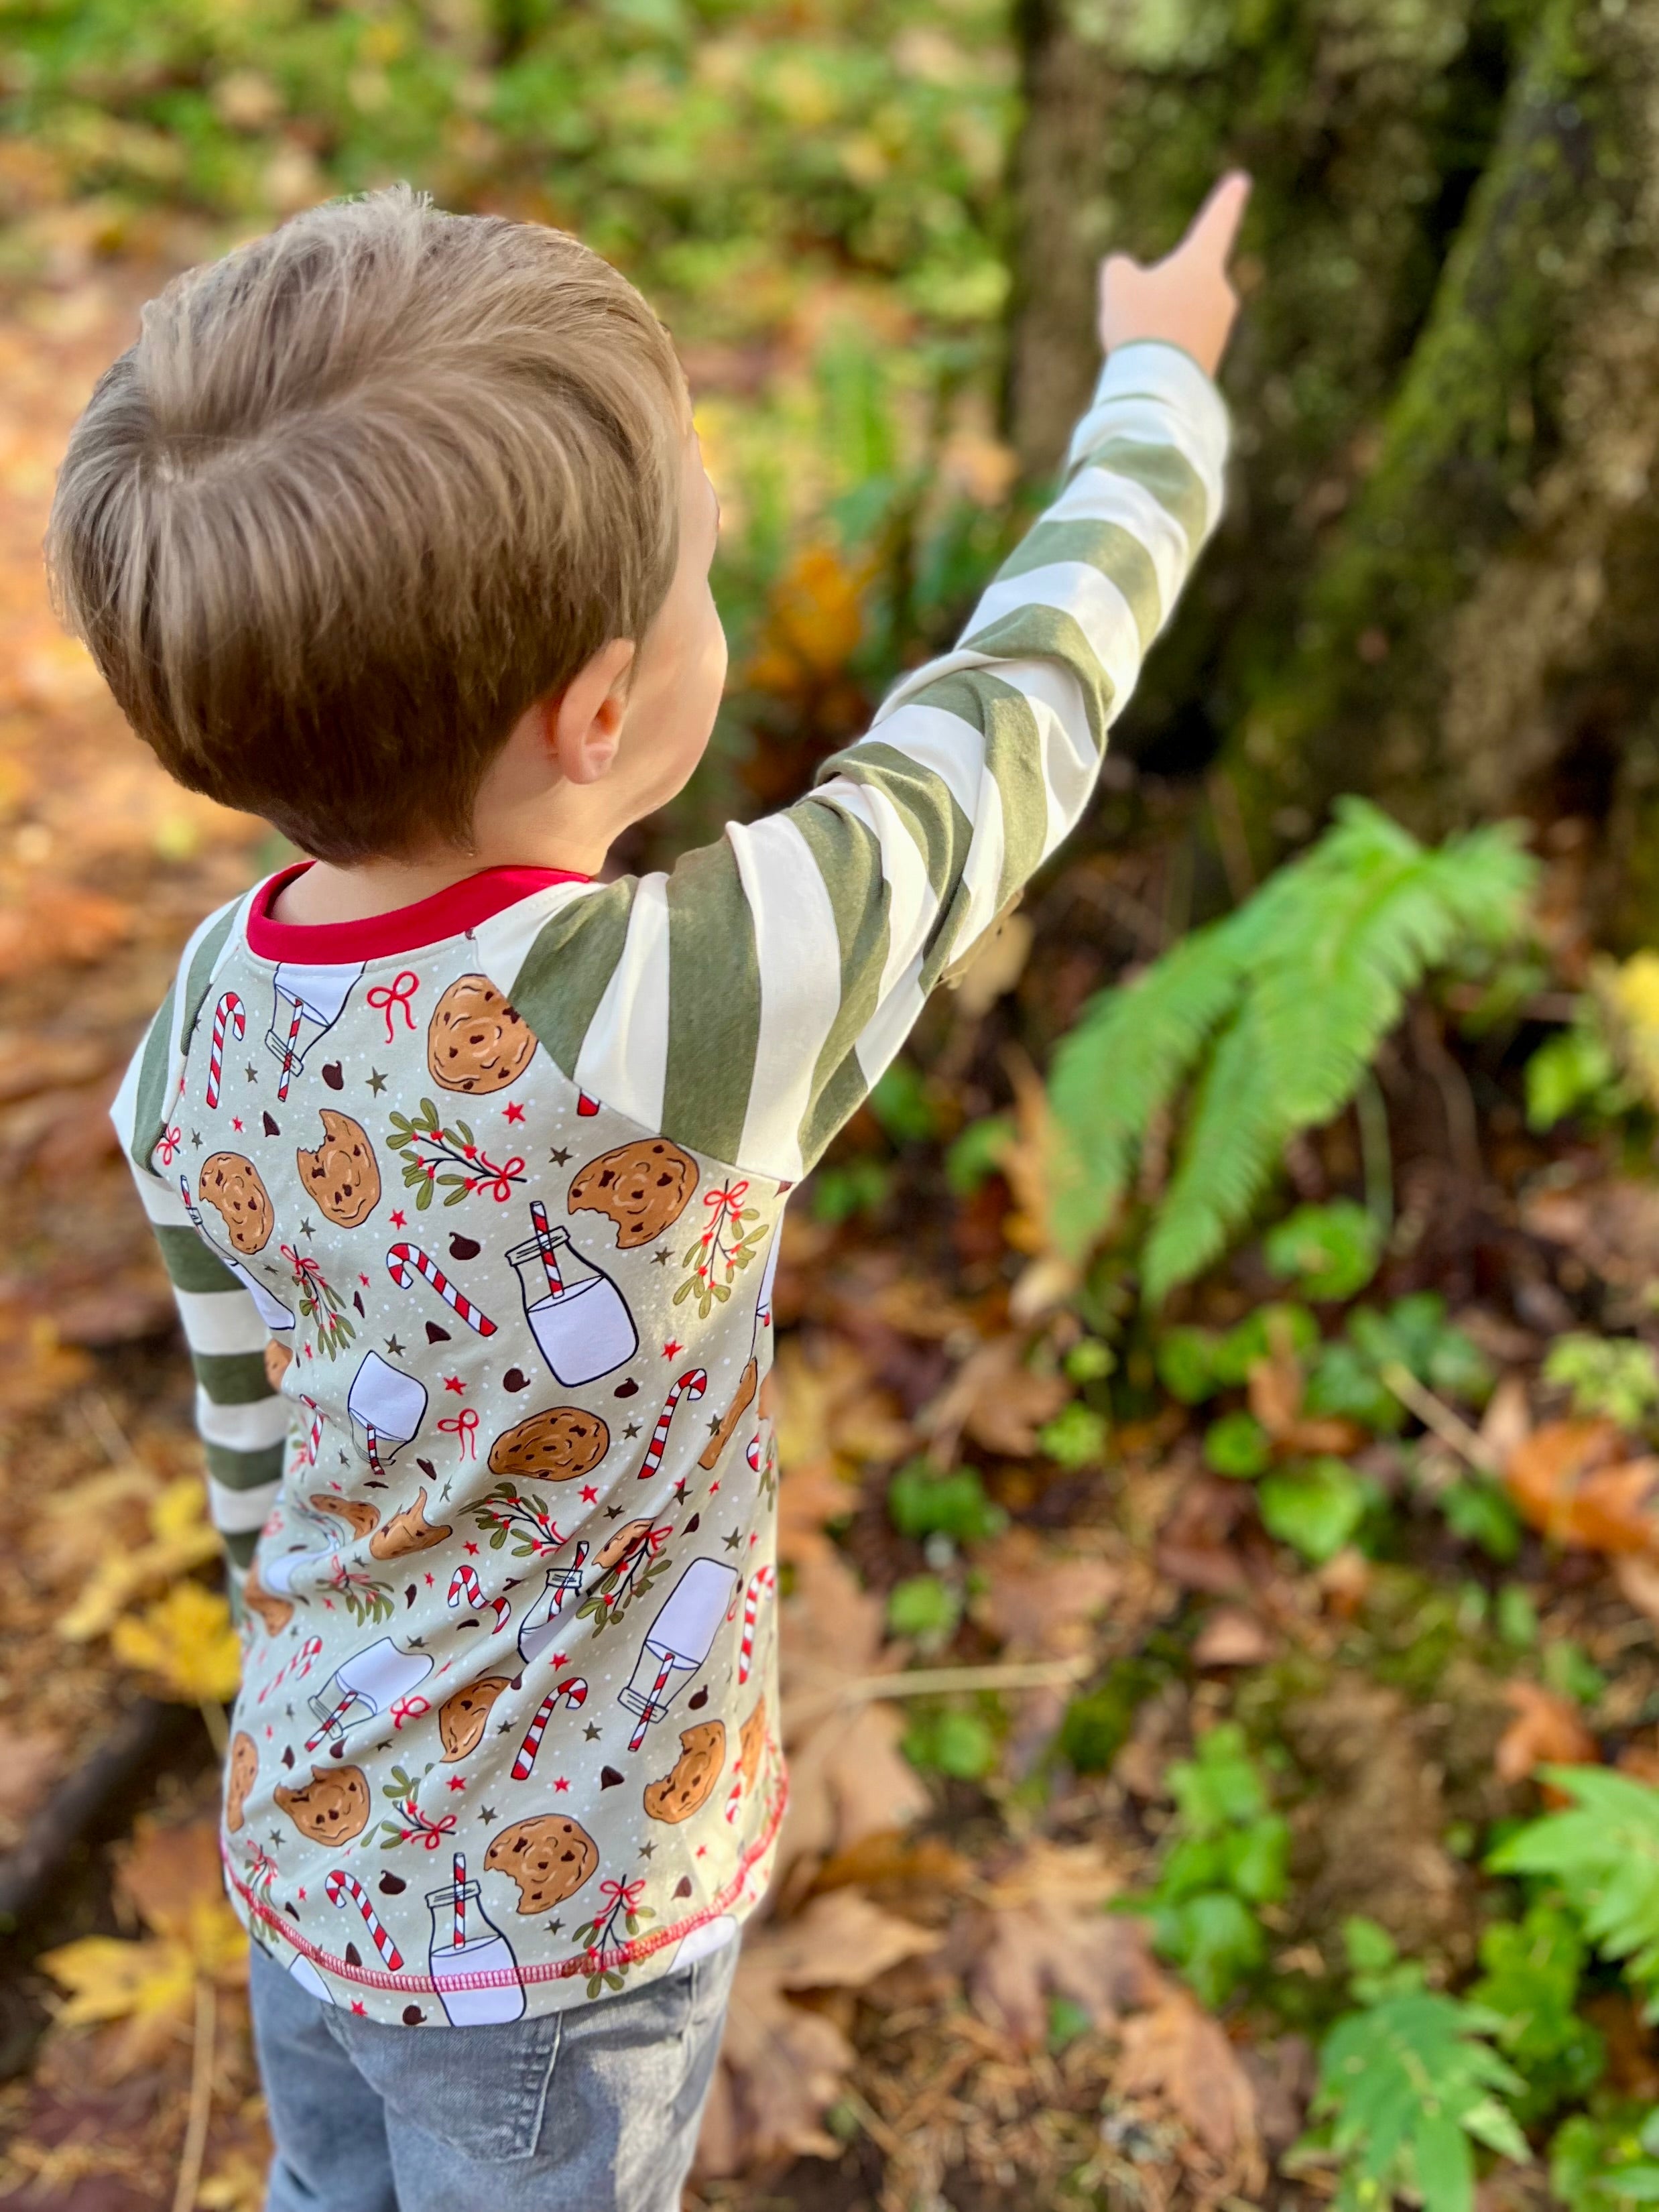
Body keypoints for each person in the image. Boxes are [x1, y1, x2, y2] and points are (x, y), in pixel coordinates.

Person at [48, 168, 1249, 2212]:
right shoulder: (684, 1005)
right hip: (568, 1926)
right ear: (603, 707)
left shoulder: (201, 1022)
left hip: (307, 1835)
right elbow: (1014, 720)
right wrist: (1158, 382)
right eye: (704, 572)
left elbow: (252, 1441)